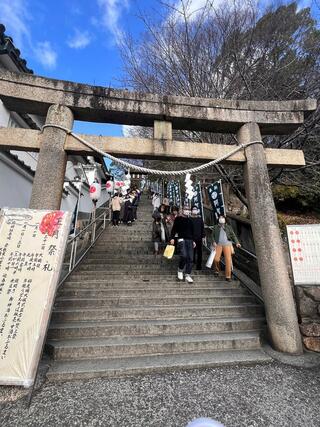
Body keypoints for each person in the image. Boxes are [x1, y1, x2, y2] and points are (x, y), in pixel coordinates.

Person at [210, 215, 241, 282]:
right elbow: (212, 236)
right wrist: (213, 242)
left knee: (228, 260)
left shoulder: (228, 227)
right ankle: (216, 271)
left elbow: (233, 235)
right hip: (218, 245)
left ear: (225, 219)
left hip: (227, 244)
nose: (221, 219)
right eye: (220, 218)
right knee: (216, 259)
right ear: (218, 219)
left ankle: (228, 276)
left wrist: (237, 242)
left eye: (222, 218)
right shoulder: (215, 227)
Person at [170, 205, 196, 283]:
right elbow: (174, 229)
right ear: (182, 210)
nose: (187, 210)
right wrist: (172, 238)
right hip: (181, 239)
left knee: (191, 258)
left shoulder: (191, 220)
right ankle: (180, 270)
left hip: (190, 240)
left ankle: (187, 274)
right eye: (186, 209)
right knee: (184, 255)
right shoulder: (178, 219)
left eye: (188, 209)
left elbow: (192, 231)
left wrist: (193, 241)